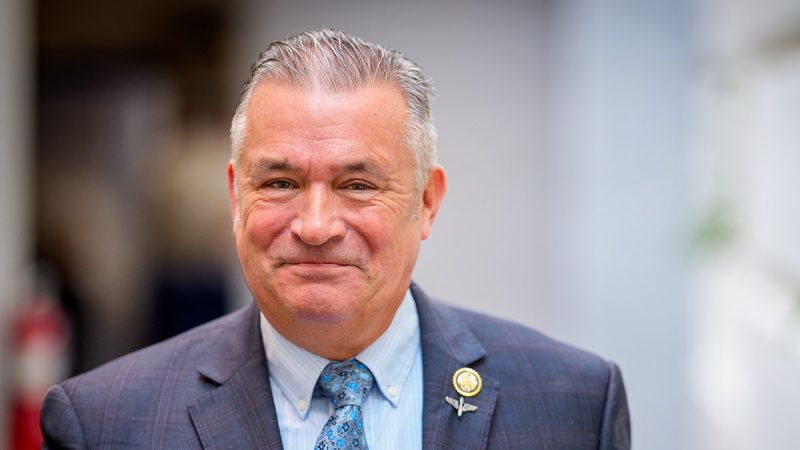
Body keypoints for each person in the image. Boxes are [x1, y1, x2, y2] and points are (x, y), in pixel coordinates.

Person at [40, 29, 630, 449]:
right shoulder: (106, 424)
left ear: (426, 202)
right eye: (280, 182)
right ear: (236, 197)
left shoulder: (572, 405)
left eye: (357, 185)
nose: (317, 226)